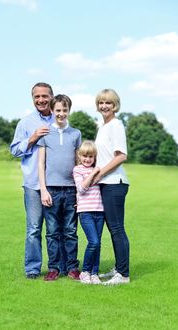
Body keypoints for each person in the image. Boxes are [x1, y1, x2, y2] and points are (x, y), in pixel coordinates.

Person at [10, 82, 66, 279]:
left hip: (57, 185)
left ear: (52, 97)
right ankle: (33, 269)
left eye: (45, 96)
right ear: (32, 99)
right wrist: (32, 138)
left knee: (57, 229)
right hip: (33, 185)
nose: (41, 100)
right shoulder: (25, 123)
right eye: (37, 97)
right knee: (34, 229)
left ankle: (59, 267)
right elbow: (15, 150)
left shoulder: (60, 118)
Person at [38, 94, 81, 282]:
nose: (61, 114)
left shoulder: (76, 134)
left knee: (71, 231)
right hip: (52, 190)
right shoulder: (46, 132)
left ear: (69, 111)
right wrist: (43, 189)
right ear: (52, 111)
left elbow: (80, 164)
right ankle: (53, 268)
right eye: (58, 110)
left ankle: (72, 268)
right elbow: (41, 164)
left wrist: (80, 191)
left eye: (65, 110)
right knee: (52, 232)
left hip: (71, 190)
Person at [94, 88, 130, 285]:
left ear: (115, 105)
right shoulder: (103, 126)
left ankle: (123, 274)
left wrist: (99, 173)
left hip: (114, 183)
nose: (104, 106)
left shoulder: (116, 125)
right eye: (101, 102)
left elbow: (121, 156)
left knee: (117, 228)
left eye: (108, 102)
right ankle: (119, 268)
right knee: (113, 228)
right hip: (106, 183)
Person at [73, 141, 104, 285]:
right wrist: (93, 172)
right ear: (80, 156)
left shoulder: (98, 169)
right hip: (85, 212)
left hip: (99, 210)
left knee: (98, 244)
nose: (87, 159)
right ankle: (85, 272)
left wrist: (96, 170)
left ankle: (94, 273)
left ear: (94, 157)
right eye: (85, 156)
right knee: (94, 242)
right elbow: (82, 188)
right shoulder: (77, 170)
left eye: (91, 156)